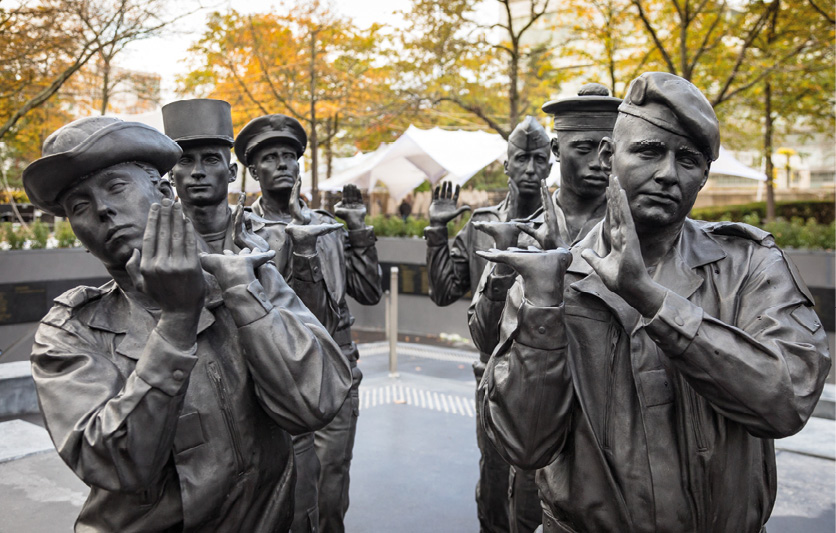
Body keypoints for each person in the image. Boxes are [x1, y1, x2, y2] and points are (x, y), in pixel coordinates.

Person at [477, 72, 831, 533]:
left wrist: (651, 300)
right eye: (648, 150)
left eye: (688, 158)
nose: (667, 173)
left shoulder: (750, 265)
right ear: (610, 156)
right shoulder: (552, 274)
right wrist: (543, 309)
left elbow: (786, 401)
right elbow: (524, 446)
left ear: (703, 174)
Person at [22, 116, 352, 532]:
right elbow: (113, 464)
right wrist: (177, 323)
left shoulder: (245, 275)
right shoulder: (72, 331)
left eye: (116, 187)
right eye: (80, 206)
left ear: (163, 194)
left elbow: (317, 401)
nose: (102, 210)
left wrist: (242, 293)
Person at [163, 99, 343, 533]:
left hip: (275, 407)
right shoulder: (156, 246)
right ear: (172, 175)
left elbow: (309, 330)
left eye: (212, 160)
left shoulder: (269, 240)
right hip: (195, 421)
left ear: (230, 172)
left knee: (303, 511)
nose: (200, 171)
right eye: (187, 161)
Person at [235, 114, 383, 533]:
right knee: (290, 497)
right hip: (276, 380)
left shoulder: (327, 225)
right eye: (269, 158)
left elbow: (369, 292)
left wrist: (357, 232)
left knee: (332, 488)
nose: (281, 164)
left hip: (336, 374)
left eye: (288, 156)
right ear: (253, 171)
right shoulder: (244, 232)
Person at [425, 116, 552, 533]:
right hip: (491, 375)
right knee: (495, 481)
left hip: (549, 378)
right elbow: (444, 292)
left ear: (550, 163)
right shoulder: (481, 224)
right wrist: (437, 232)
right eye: (522, 159)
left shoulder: (566, 225)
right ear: (507, 165)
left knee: (542, 488)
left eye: (538, 159)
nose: (530, 169)